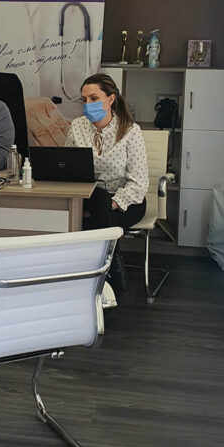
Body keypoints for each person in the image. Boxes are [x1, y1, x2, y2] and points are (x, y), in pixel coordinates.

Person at [66, 73, 149, 293]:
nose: (87, 104)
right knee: (97, 199)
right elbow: (67, 166)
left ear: (110, 99)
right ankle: (112, 271)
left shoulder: (130, 131)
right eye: (84, 100)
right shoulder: (77, 126)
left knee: (93, 221)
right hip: (88, 197)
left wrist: (113, 202)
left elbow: (139, 182)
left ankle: (93, 279)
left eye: (94, 98)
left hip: (127, 201)